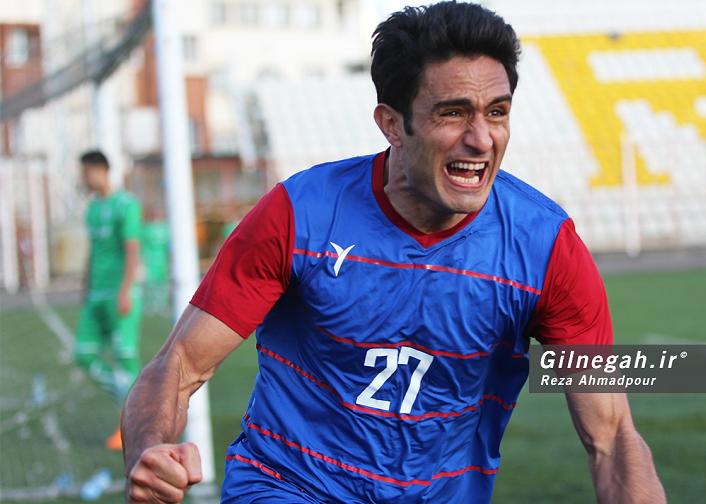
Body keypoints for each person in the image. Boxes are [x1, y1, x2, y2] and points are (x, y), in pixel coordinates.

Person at [122, 2, 666, 502]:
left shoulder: (546, 248)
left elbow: (612, 437)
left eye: (497, 112)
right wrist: (149, 449)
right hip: (287, 485)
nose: (481, 139)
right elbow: (179, 364)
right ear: (391, 124)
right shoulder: (300, 214)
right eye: (453, 113)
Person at [76, 149, 143, 451]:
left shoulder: (126, 205)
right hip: (95, 295)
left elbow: (132, 250)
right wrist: (85, 285)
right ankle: (134, 405)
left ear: (99, 170)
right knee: (83, 353)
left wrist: (126, 289)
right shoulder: (92, 209)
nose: (82, 178)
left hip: (118, 292)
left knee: (124, 358)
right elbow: (93, 251)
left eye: (85, 172)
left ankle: (129, 425)